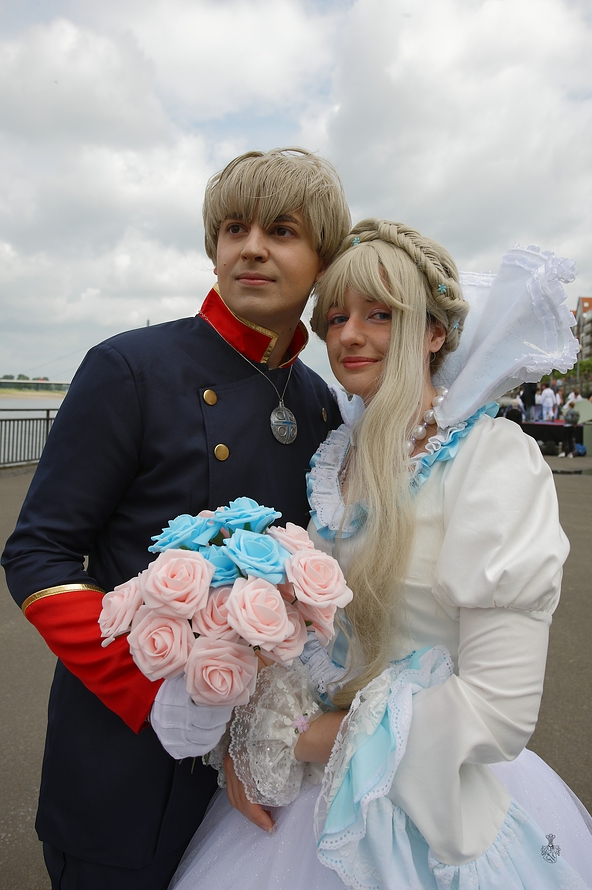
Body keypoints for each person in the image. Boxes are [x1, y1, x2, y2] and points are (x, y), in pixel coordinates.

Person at [170, 222, 592, 889]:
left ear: (433, 333)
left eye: (379, 315)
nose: (348, 336)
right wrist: (253, 728)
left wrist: (295, 738)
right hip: (302, 799)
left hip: (426, 798)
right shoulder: (333, 458)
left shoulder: (491, 460)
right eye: (335, 317)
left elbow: (498, 707)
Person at [1, 147, 351, 889]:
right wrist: (150, 686)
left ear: (322, 257)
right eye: (232, 228)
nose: (250, 247)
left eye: (281, 230)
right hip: (126, 751)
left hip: (259, 764)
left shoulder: (321, 401)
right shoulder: (130, 368)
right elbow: (38, 554)